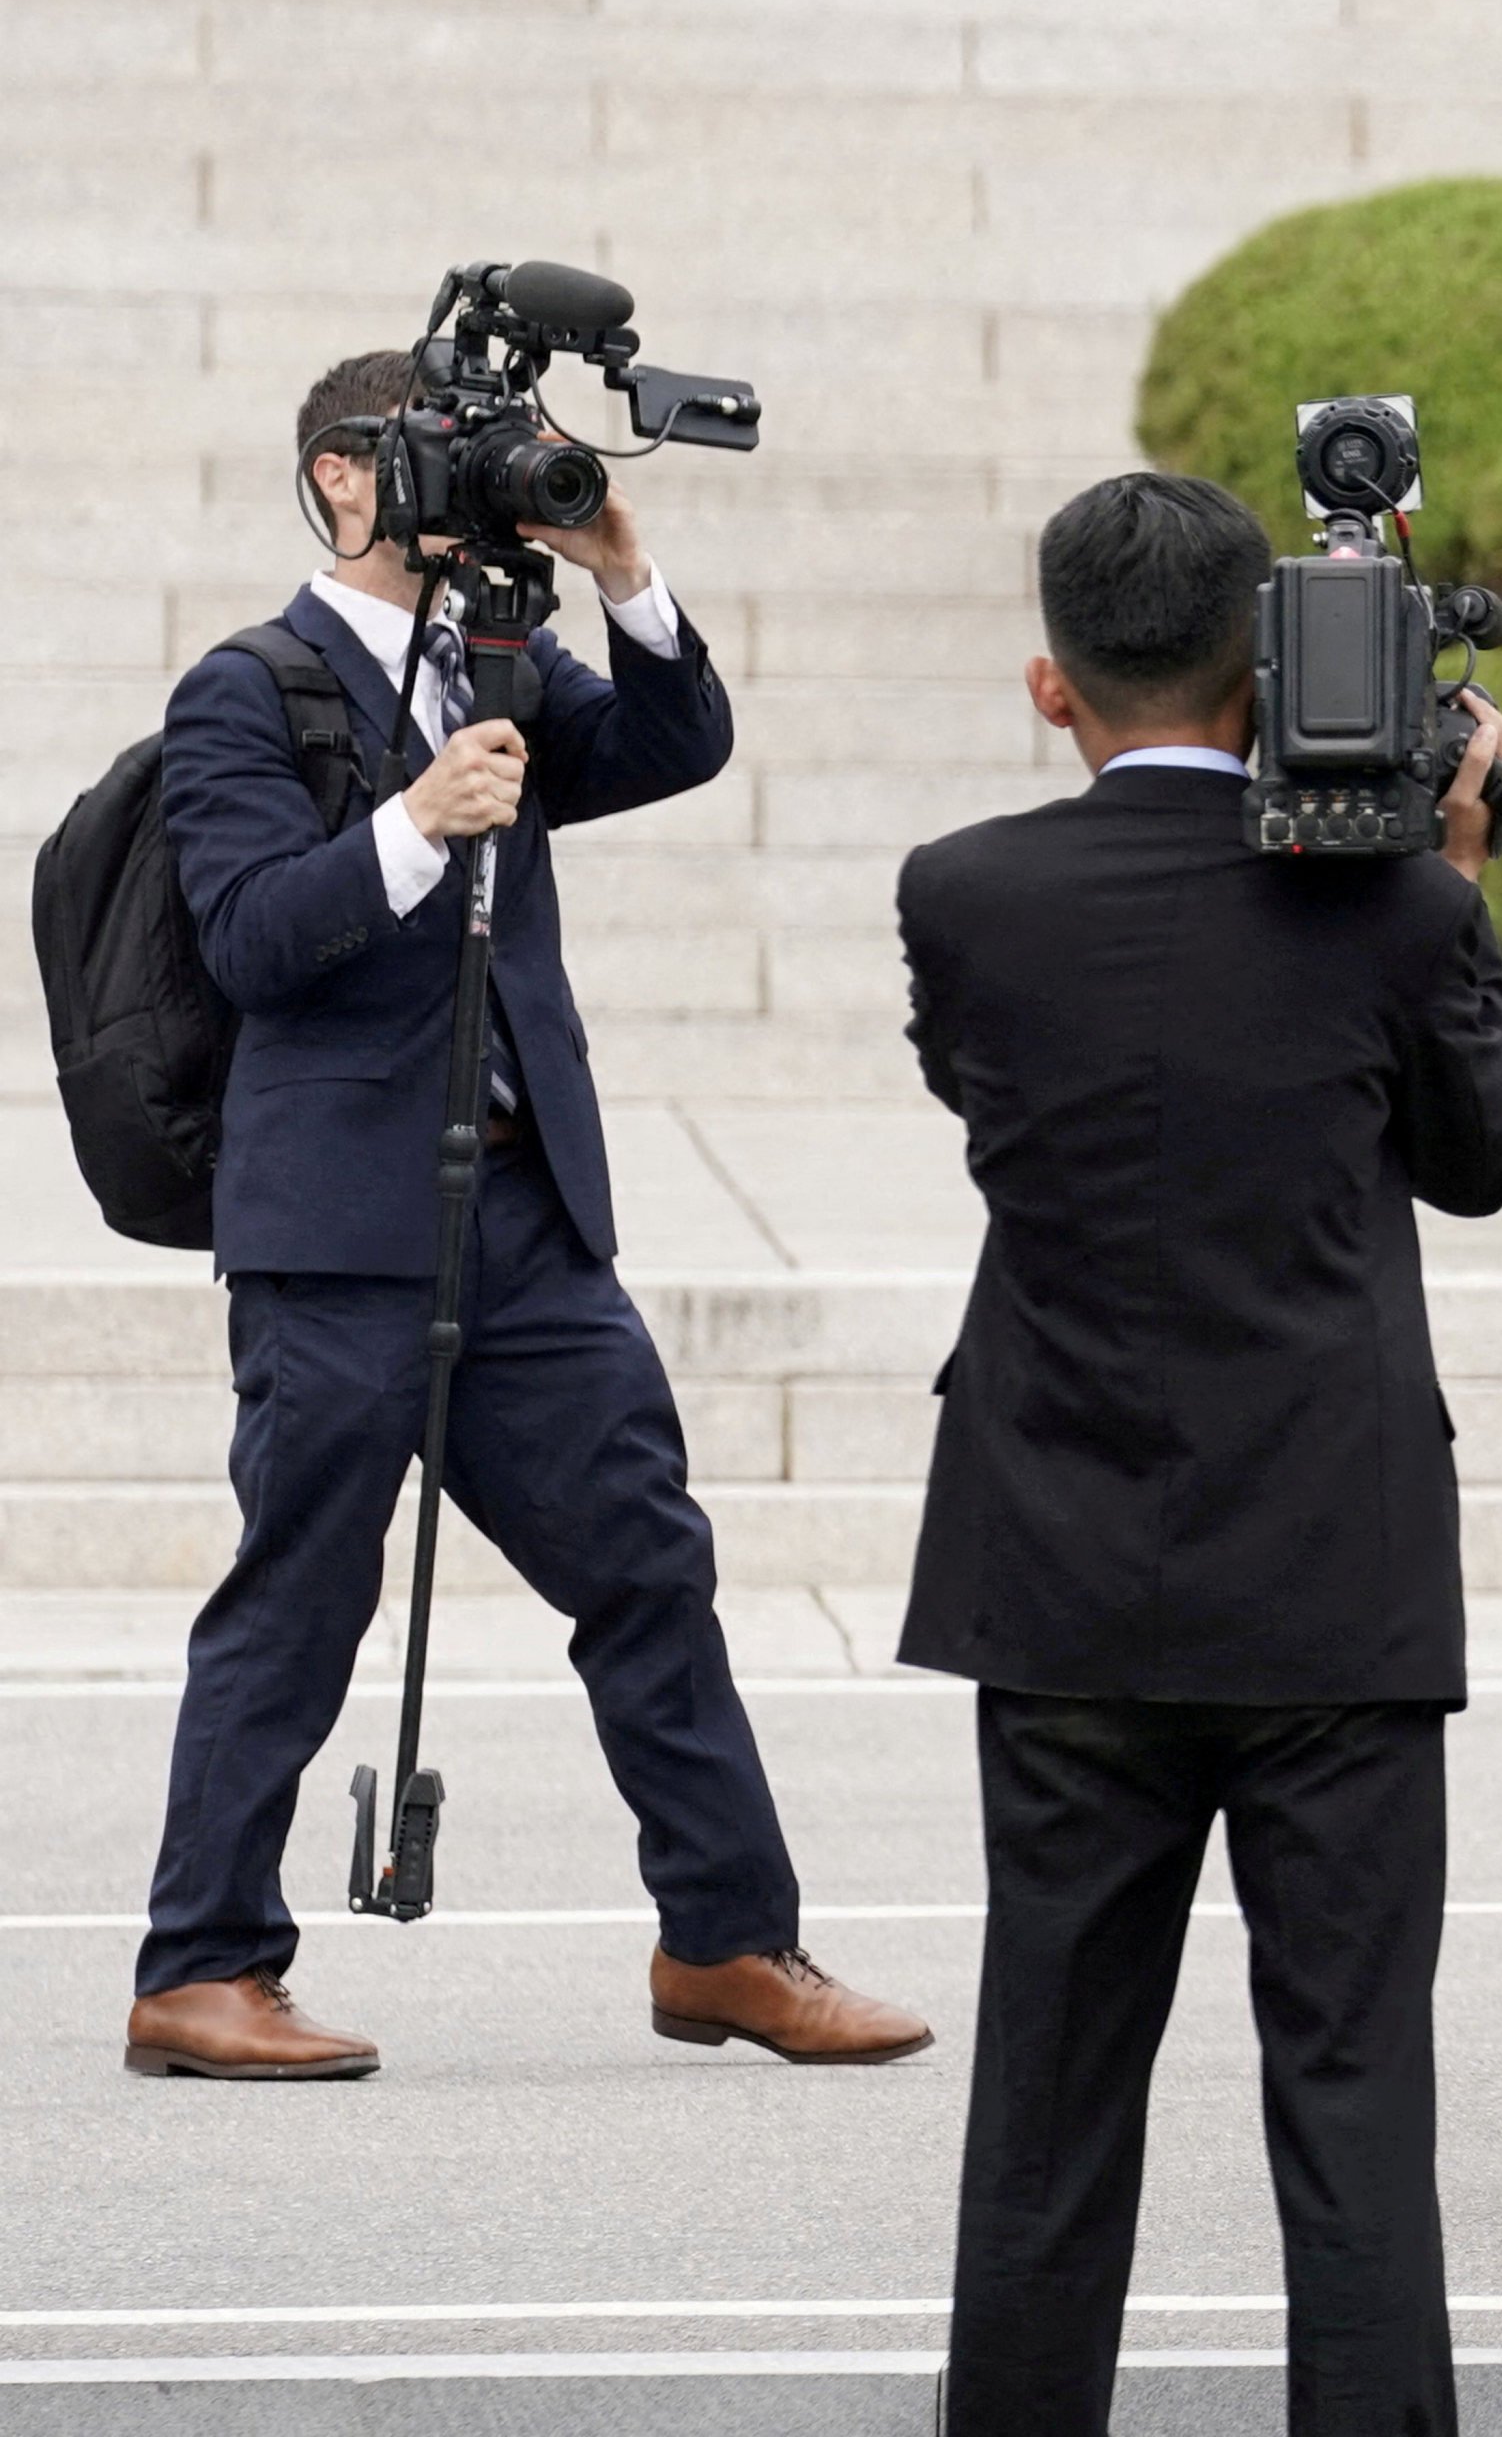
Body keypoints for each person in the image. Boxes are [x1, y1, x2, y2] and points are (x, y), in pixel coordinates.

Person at [125, 350, 925, 2083]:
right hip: (337, 1229)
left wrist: (624, 570)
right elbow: (253, 939)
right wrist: (416, 821)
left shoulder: (505, 660)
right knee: (298, 1593)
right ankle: (201, 1966)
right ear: (345, 479)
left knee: (650, 1564)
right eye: (437, 456)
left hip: (525, 1215)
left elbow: (676, 745)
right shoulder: (245, 691)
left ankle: (725, 1939)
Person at [899, 472, 1502, 2432]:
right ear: (1262, 678)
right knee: (1350, 2097)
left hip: (1060, 1561)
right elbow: (1477, 1162)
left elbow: (981, 1095)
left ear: (1046, 684)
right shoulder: (1400, 909)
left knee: (1045, 2098)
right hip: (1331, 1581)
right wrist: (1444, 855)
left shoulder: (964, 893)